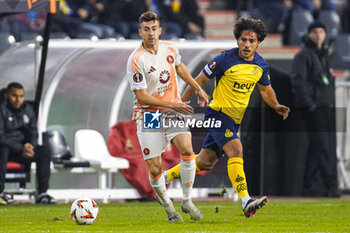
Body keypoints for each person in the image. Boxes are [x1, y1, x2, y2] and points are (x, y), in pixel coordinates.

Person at [164, 17, 290, 218]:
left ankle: (164, 177)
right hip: (218, 114)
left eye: (251, 41)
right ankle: (245, 200)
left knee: (205, 162)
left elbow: (266, 91)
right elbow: (199, 80)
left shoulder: (260, 65)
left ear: (258, 43)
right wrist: (180, 103)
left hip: (234, 120)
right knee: (236, 149)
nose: (246, 45)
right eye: (243, 40)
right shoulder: (224, 59)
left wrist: (275, 105)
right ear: (237, 40)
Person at [126, 11, 209, 221]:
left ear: (160, 30)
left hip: (172, 111)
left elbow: (179, 66)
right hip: (149, 115)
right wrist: (173, 103)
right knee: (155, 167)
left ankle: (187, 200)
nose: (151, 33)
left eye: (154, 28)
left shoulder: (170, 48)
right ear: (140, 32)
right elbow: (142, 96)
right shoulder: (136, 60)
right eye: (146, 30)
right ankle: (168, 207)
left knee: (188, 150)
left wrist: (196, 87)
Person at [290, 21, 339, 197]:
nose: (318, 35)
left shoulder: (324, 55)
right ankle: (331, 185)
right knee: (321, 146)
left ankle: (308, 185)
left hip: (324, 108)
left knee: (316, 148)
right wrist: (309, 105)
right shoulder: (303, 55)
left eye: (321, 31)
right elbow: (298, 82)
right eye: (315, 31)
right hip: (313, 109)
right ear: (309, 34)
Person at [0, 82, 56, 205]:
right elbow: (1, 136)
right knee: (2, 149)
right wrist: (20, 148)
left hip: (23, 151)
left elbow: (33, 132)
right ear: (6, 95)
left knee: (44, 151)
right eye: (14, 96)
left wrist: (31, 146)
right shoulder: (2, 110)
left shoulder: (28, 110)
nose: (17, 100)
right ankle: (0, 193)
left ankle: (42, 194)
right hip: (7, 150)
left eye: (21, 96)